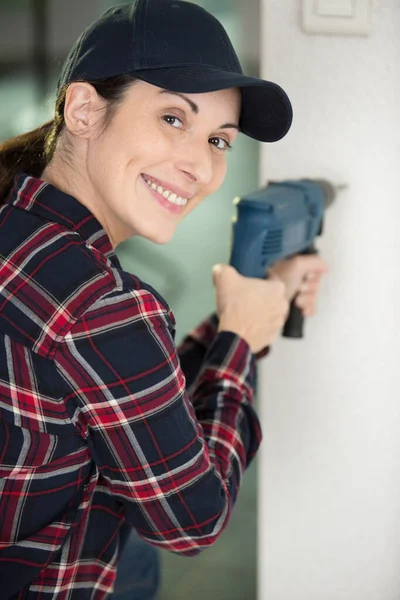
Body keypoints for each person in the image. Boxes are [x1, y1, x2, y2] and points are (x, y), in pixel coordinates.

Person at [0, 1, 328, 599]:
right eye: (173, 119)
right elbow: (191, 519)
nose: (201, 165)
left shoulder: (23, 238)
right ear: (84, 110)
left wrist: (236, 323)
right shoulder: (100, 302)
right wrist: (239, 345)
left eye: (220, 140)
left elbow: (118, 394)